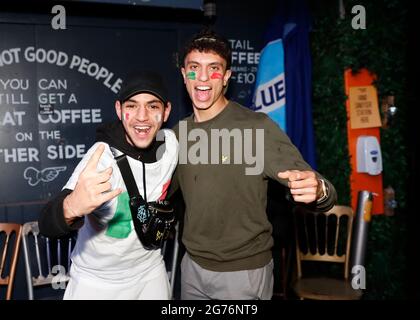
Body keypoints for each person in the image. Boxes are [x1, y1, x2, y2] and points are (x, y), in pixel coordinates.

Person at [169, 29, 337, 300]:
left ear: (226, 78)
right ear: (183, 74)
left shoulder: (255, 128)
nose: (202, 78)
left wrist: (319, 190)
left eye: (213, 69)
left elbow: (321, 188)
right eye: (194, 68)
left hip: (242, 275)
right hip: (192, 270)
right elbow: (158, 191)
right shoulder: (179, 133)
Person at [38, 71, 178, 300]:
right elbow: (47, 224)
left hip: (150, 270)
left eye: (153, 106)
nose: (142, 116)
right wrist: (70, 207)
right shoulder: (102, 158)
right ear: (119, 109)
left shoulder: (170, 144)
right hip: (97, 281)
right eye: (132, 106)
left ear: (166, 111)